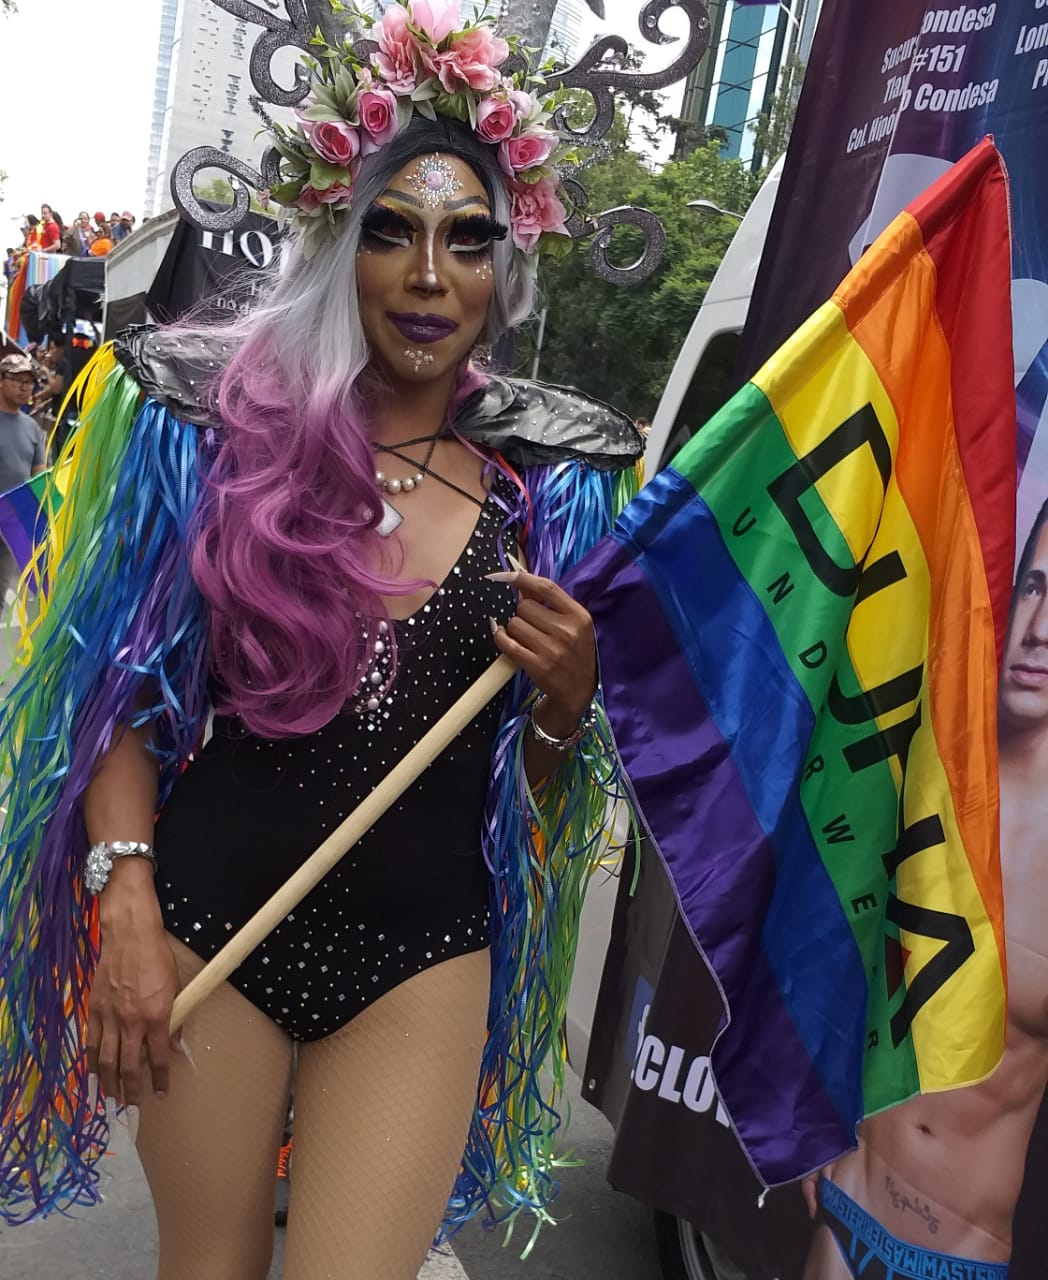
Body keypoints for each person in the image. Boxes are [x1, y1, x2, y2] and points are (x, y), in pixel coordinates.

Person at [0, 7, 643, 1277]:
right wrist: (120, 893)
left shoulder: (540, 492)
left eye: (469, 242)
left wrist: (567, 701)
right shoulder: (215, 439)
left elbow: (545, 795)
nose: (426, 277)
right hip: (206, 924)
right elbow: (113, 696)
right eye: (391, 231)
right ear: (336, 244)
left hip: (421, 957)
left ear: (505, 268)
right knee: (211, 1262)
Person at [802, 497, 1048, 1278]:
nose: (1041, 628)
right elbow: (854, 963)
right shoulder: (932, 768)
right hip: (845, 1204)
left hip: (958, 1255)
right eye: (1038, 586)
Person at [0, 352, 48, 600]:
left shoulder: (32, 429)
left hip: (10, 525)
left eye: (30, 381)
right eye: (18, 379)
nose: (25, 387)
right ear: (1, 380)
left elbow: (39, 480)